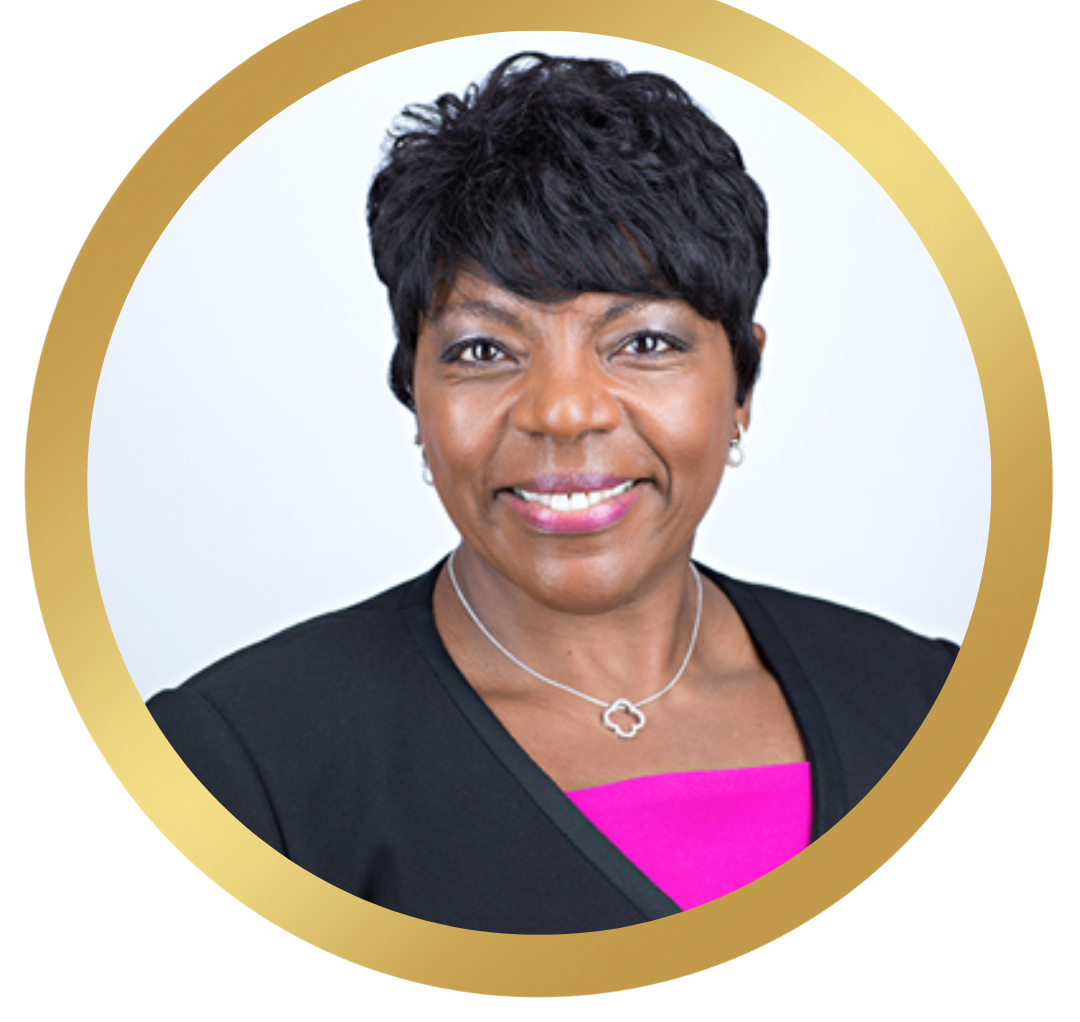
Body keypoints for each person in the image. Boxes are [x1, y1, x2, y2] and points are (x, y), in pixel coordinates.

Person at [147, 53, 957, 934]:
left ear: (743, 383)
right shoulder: (236, 767)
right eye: (483, 350)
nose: (564, 413)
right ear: (414, 394)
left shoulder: (934, 704)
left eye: (643, 344)